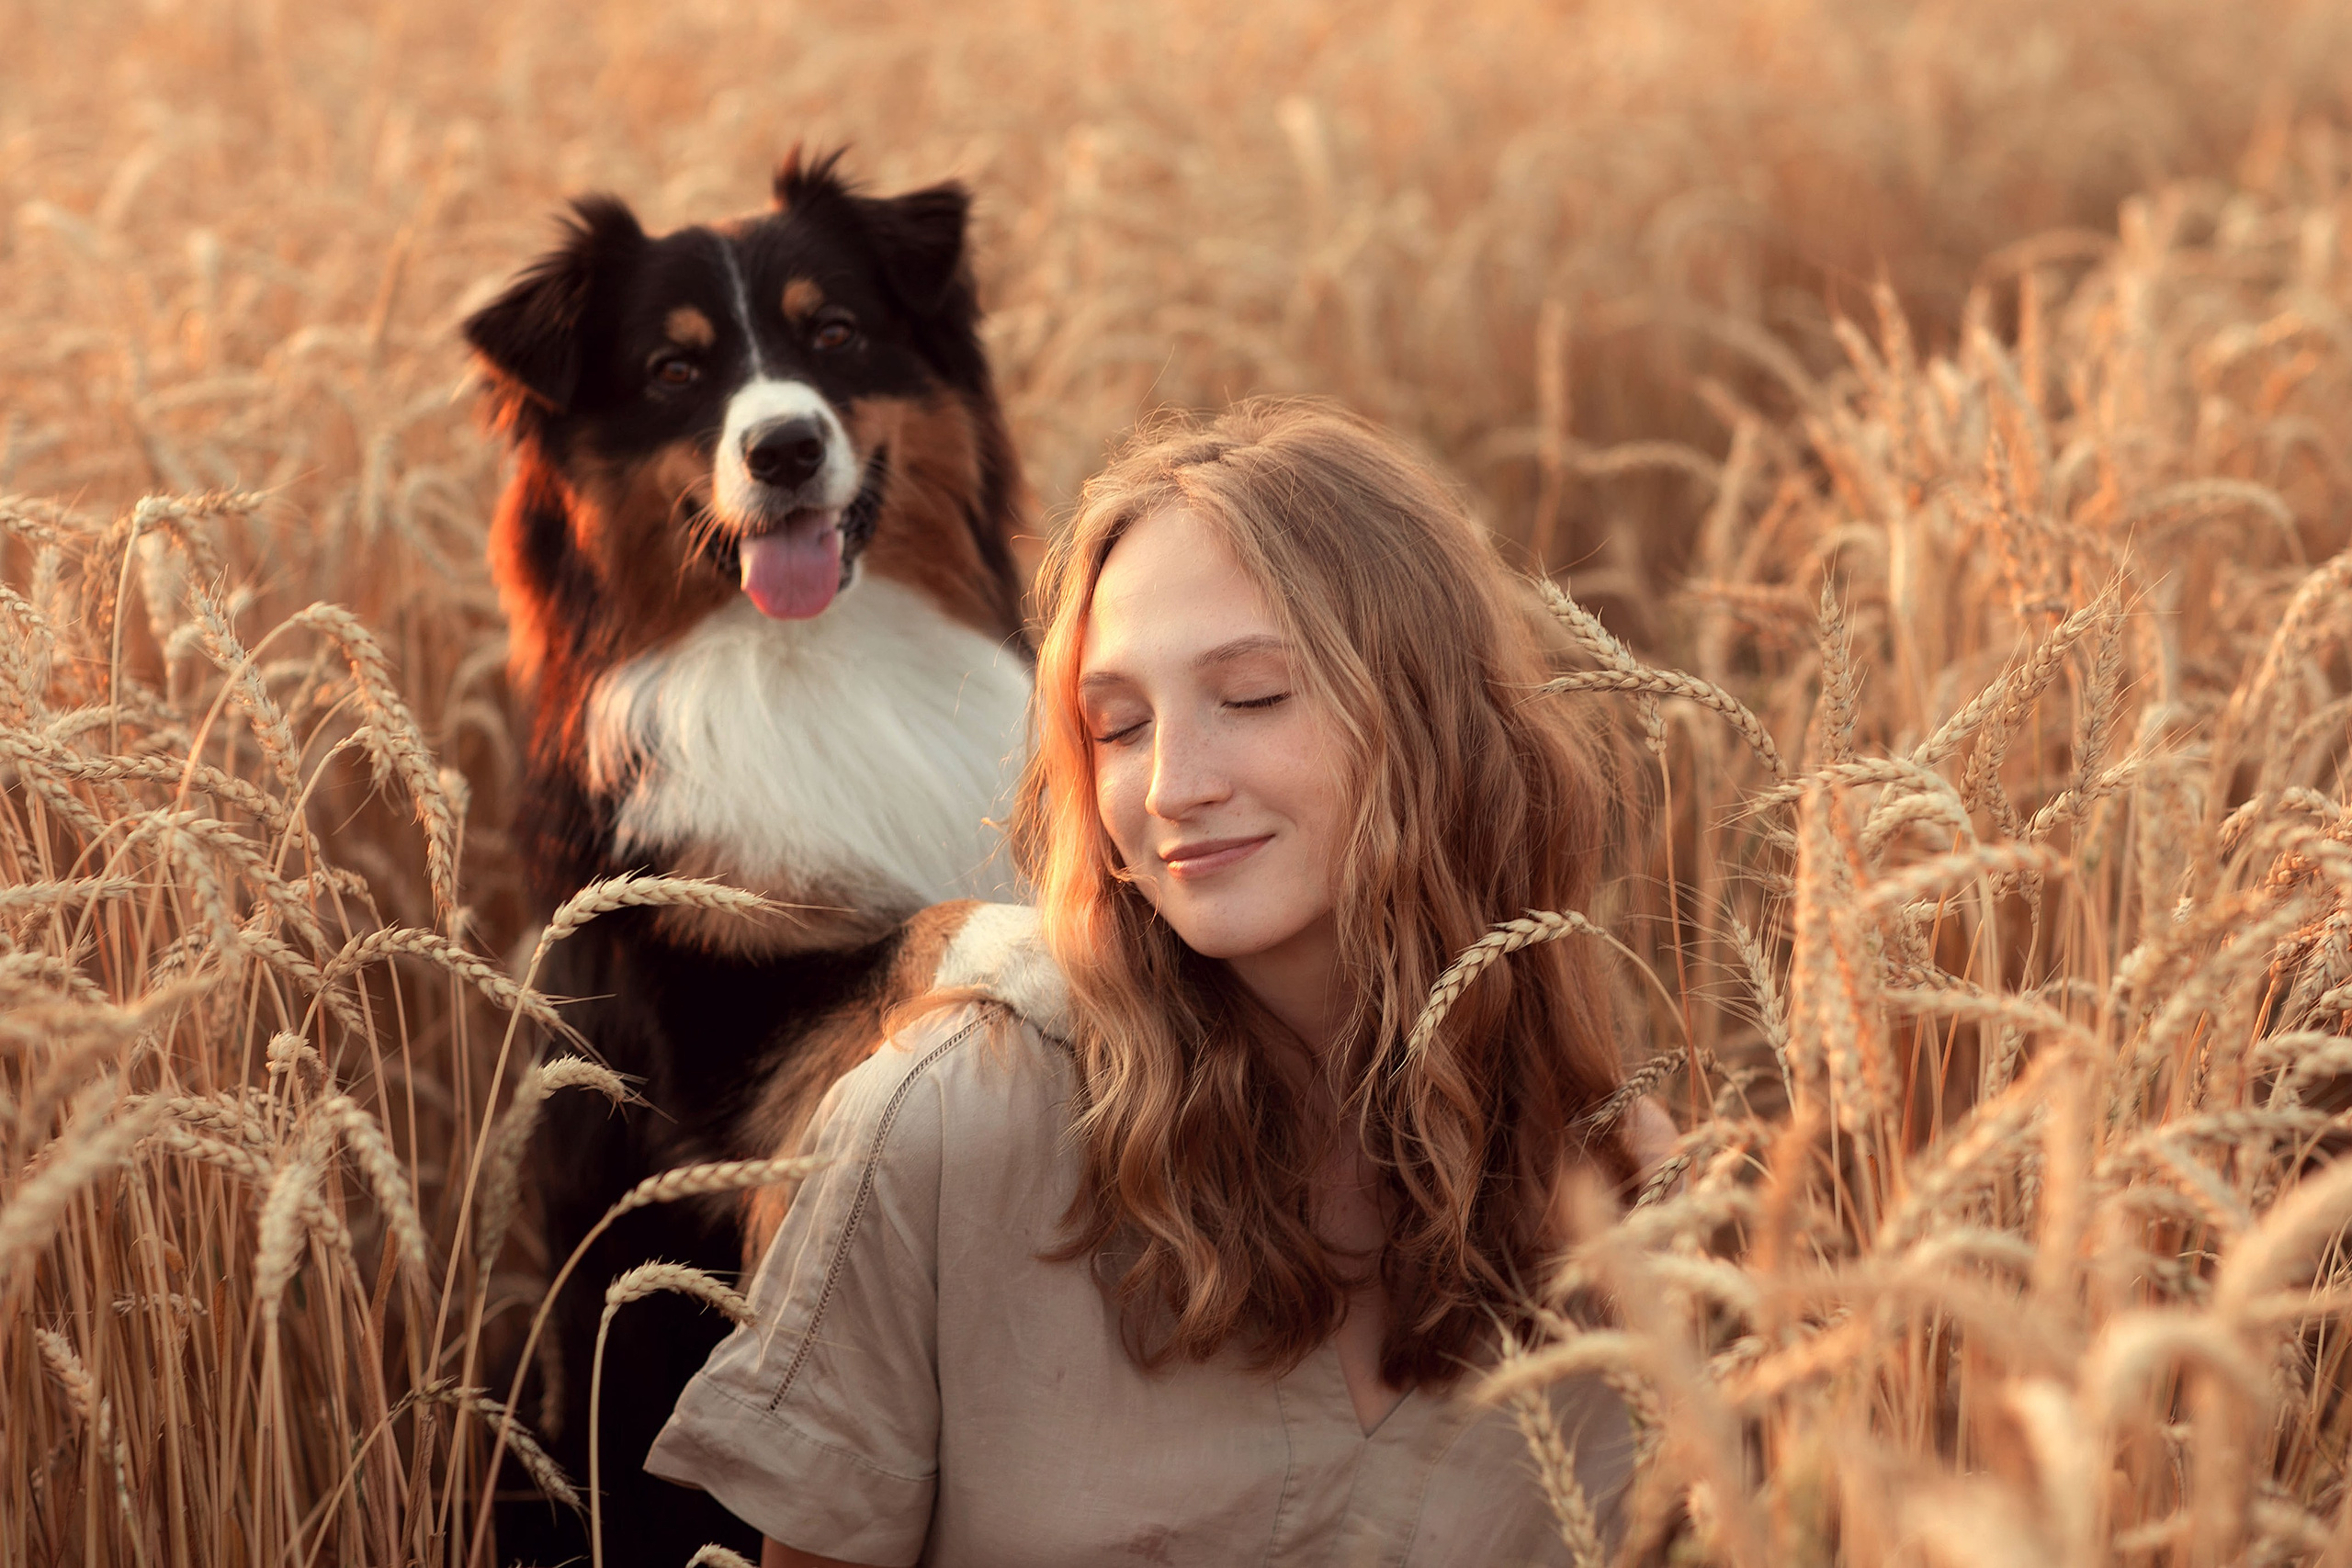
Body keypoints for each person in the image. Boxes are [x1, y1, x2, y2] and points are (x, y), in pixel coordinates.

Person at [645, 400, 1665, 1567]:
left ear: (1432, 713)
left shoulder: (1633, 1200)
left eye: (1252, 696)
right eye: (1117, 726)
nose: (1173, 786)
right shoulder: (942, 1124)